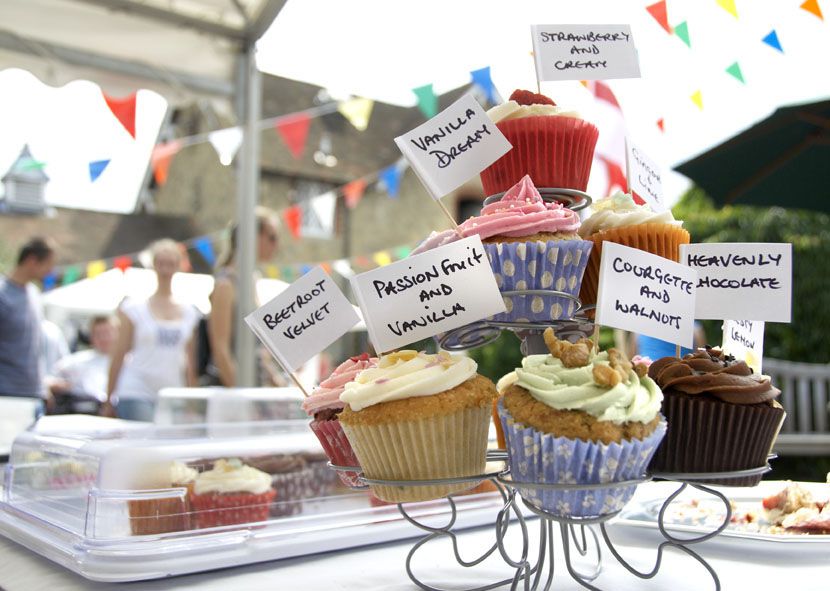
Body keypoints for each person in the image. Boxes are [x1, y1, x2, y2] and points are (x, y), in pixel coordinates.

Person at [103, 240, 201, 421]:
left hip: (172, 392)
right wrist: (109, 397)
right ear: (154, 265)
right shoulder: (135, 308)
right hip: (137, 389)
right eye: (161, 263)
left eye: (171, 264)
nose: (165, 270)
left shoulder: (189, 312)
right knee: (145, 442)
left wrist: (191, 399)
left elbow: (190, 362)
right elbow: (119, 353)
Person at [201, 207, 279, 387]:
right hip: (230, 393)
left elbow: (257, 350)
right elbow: (220, 351)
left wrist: (276, 381)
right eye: (272, 237)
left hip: (251, 387)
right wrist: (242, 395)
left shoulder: (251, 280)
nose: (276, 245)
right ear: (252, 237)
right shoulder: (226, 284)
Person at [0, 237, 56, 408]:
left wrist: (42, 385)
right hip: (7, 394)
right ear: (32, 260)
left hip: (34, 394)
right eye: (48, 264)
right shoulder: (3, 295)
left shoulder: (34, 294)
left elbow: (35, 347)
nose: (50, 271)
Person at [48, 315, 117, 414]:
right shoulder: (76, 361)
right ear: (91, 337)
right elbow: (50, 379)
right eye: (98, 334)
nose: (104, 338)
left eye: (107, 333)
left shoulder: (128, 363)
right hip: (83, 409)